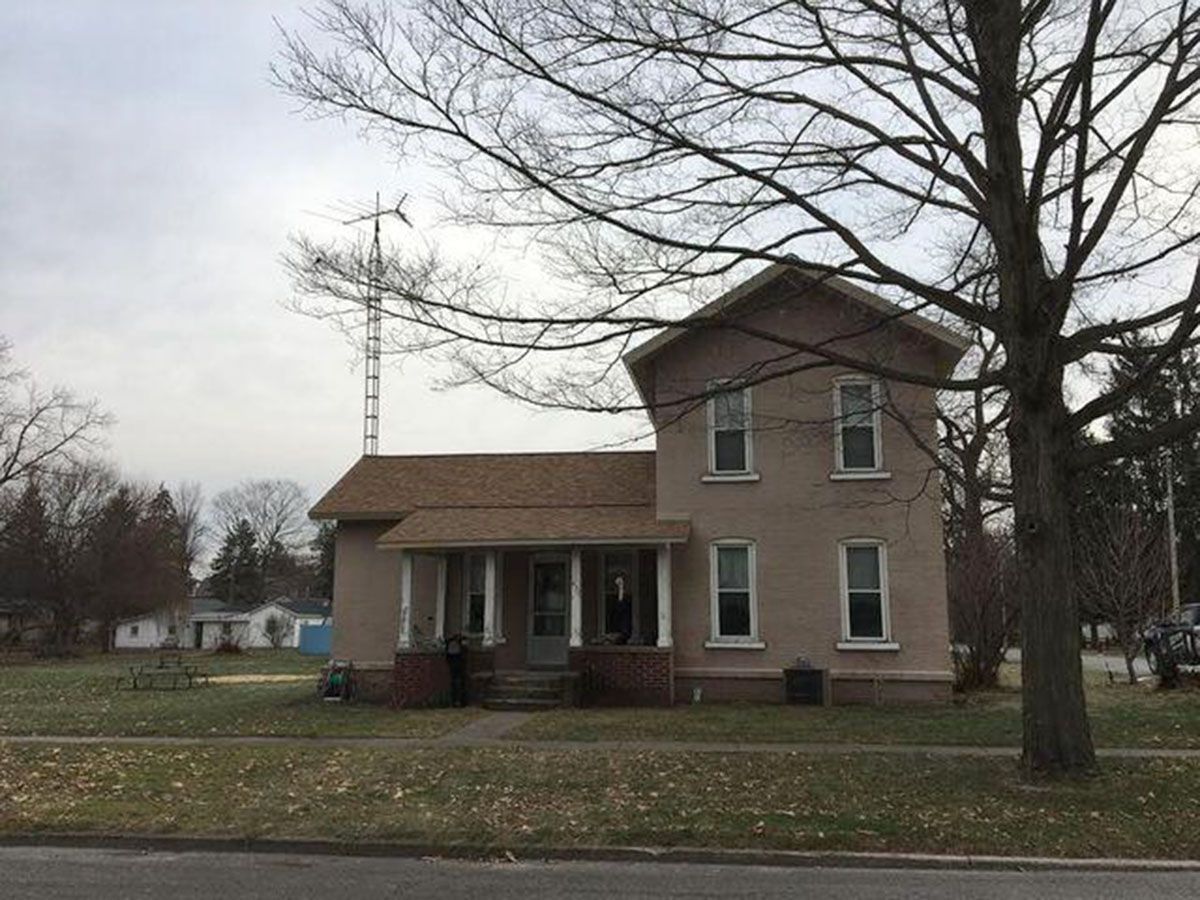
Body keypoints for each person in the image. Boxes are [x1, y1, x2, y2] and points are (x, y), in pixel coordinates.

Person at [445, 632, 468, 707]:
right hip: (458, 668)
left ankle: (458, 701)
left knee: (457, 684)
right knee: (458, 684)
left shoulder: (452, 646)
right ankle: (458, 701)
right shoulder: (457, 647)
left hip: (456, 668)